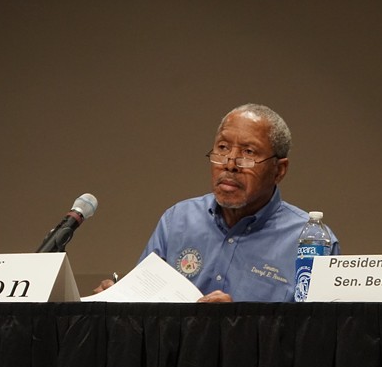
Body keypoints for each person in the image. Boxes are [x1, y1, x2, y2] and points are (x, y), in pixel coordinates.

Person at [95, 103, 340, 302]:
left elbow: (316, 338)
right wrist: (118, 298)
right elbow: (143, 307)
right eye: (222, 148)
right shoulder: (177, 221)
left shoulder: (311, 241)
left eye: (248, 153)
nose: (230, 163)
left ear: (279, 170)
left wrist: (237, 325)